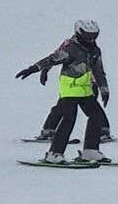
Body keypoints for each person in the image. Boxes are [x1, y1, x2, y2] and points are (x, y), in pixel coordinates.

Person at [17, 20, 110, 163]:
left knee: (97, 117)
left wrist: (104, 88)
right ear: (79, 33)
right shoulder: (70, 48)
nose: (90, 39)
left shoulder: (95, 51)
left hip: (85, 92)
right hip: (70, 91)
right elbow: (52, 59)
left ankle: (90, 151)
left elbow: (98, 71)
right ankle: (54, 154)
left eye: (93, 35)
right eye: (87, 35)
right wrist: (34, 68)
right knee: (68, 120)